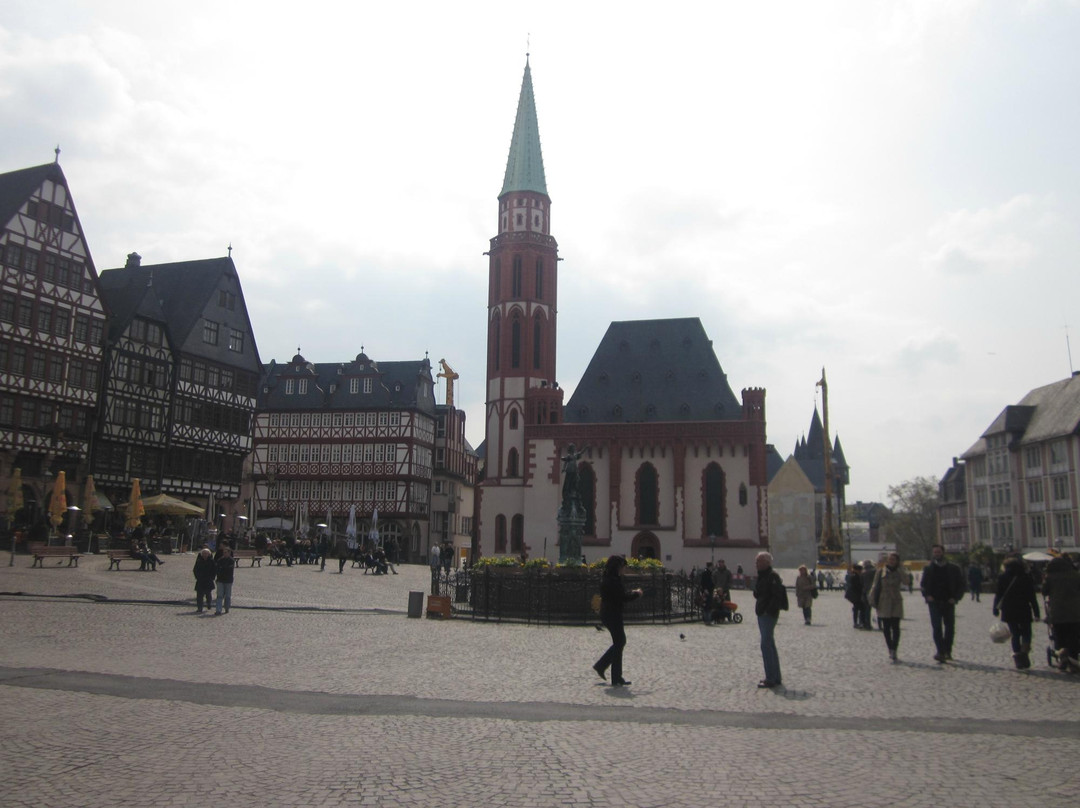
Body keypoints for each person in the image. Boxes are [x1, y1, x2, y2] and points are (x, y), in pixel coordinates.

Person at [592, 555, 642, 687]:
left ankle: (610, 672)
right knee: (620, 641)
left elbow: (619, 595)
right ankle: (607, 670)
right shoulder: (613, 580)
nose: (623, 570)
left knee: (619, 642)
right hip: (612, 614)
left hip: (610, 613)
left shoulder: (610, 578)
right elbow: (622, 597)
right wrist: (636, 593)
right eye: (622, 567)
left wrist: (631, 592)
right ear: (617, 567)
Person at [992, 555, 1040, 669]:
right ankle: (1024, 653)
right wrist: (1036, 612)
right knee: (1026, 633)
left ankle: (1018, 658)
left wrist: (995, 608)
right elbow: (1032, 596)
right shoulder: (1026, 577)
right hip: (1024, 609)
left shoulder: (1003, 577)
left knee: (1015, 634)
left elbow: (998, 594)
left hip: (1009, 609)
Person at [920, 543, 965, 662]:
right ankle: (940, 651)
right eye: (935, 552)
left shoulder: (953, 569)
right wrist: (927, 596)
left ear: (943, 553)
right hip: (934, 602)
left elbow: (961, 585)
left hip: (948, 602)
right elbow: (923, 585)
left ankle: (948, 650)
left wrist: (955, 598)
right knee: (936, 627)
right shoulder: (929, 569)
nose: (937, 554)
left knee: (950, 627)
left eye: (938, 552)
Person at [753, 551, 786, 688]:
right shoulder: (763, 576)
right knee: (769, 644)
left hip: (767, 613)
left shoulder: (772, 576)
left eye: (759, 561)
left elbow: (776, 595)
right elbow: (757, 592)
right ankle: (775, 676)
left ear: (766, 562)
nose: (756, 564)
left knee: (765, 644)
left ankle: (771, 678)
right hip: (763, 612)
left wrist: (768, 610)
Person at [1042, 556, 1080, 673]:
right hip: (1075, 612)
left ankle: (1062, 655)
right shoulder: (1076, 575)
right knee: (1074, 636)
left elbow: (1044, 591)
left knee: (1059, 635)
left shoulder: (1050, 577)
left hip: (1057, 612)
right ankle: (1073, 661)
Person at [869, 552, 905, 662]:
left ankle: (894, 648)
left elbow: (907, 582)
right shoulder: (881, 572)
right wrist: (872, 600)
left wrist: (902, 570)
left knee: (896, 627)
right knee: (886, 627)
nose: (891, 561)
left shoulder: (900, 572)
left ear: (897, 561)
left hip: (896, 601)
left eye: (893, 559)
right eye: (890, 559)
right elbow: (875, 586)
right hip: (883, 601)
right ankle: (890, 647)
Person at [193, 547, 216, 613]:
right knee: (199, 595)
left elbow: (214, 570)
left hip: (208, 580)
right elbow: (195, 570)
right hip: (200, 580)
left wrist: (212, 577)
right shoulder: (199, 561)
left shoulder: (212, 561)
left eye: (206, 553)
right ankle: (199, 608)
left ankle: (209, 603)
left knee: (208, 594)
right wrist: (197, 577)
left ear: (209, 554)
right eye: (203, 553)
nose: (205, 555)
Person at [214, 545, 235, 616]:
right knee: (219, 596)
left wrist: (222, 568)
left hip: (228, 581)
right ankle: (218, 610)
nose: (224, 553)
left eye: (226, 552)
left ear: (229, 553)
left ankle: (227, 608)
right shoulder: (220, 560)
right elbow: (217, 569)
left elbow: (229, 570)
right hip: (220, 580)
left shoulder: (231, 560)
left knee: (227, 596)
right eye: (224, 552)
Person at [860, 560, 877, 630]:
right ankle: (869, 624)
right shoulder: (874, 571)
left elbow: (861, 583)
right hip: (872, 591)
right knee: (870, 609)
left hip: (864, 592)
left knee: (865, 609)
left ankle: (864, 623)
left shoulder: (863, 572)